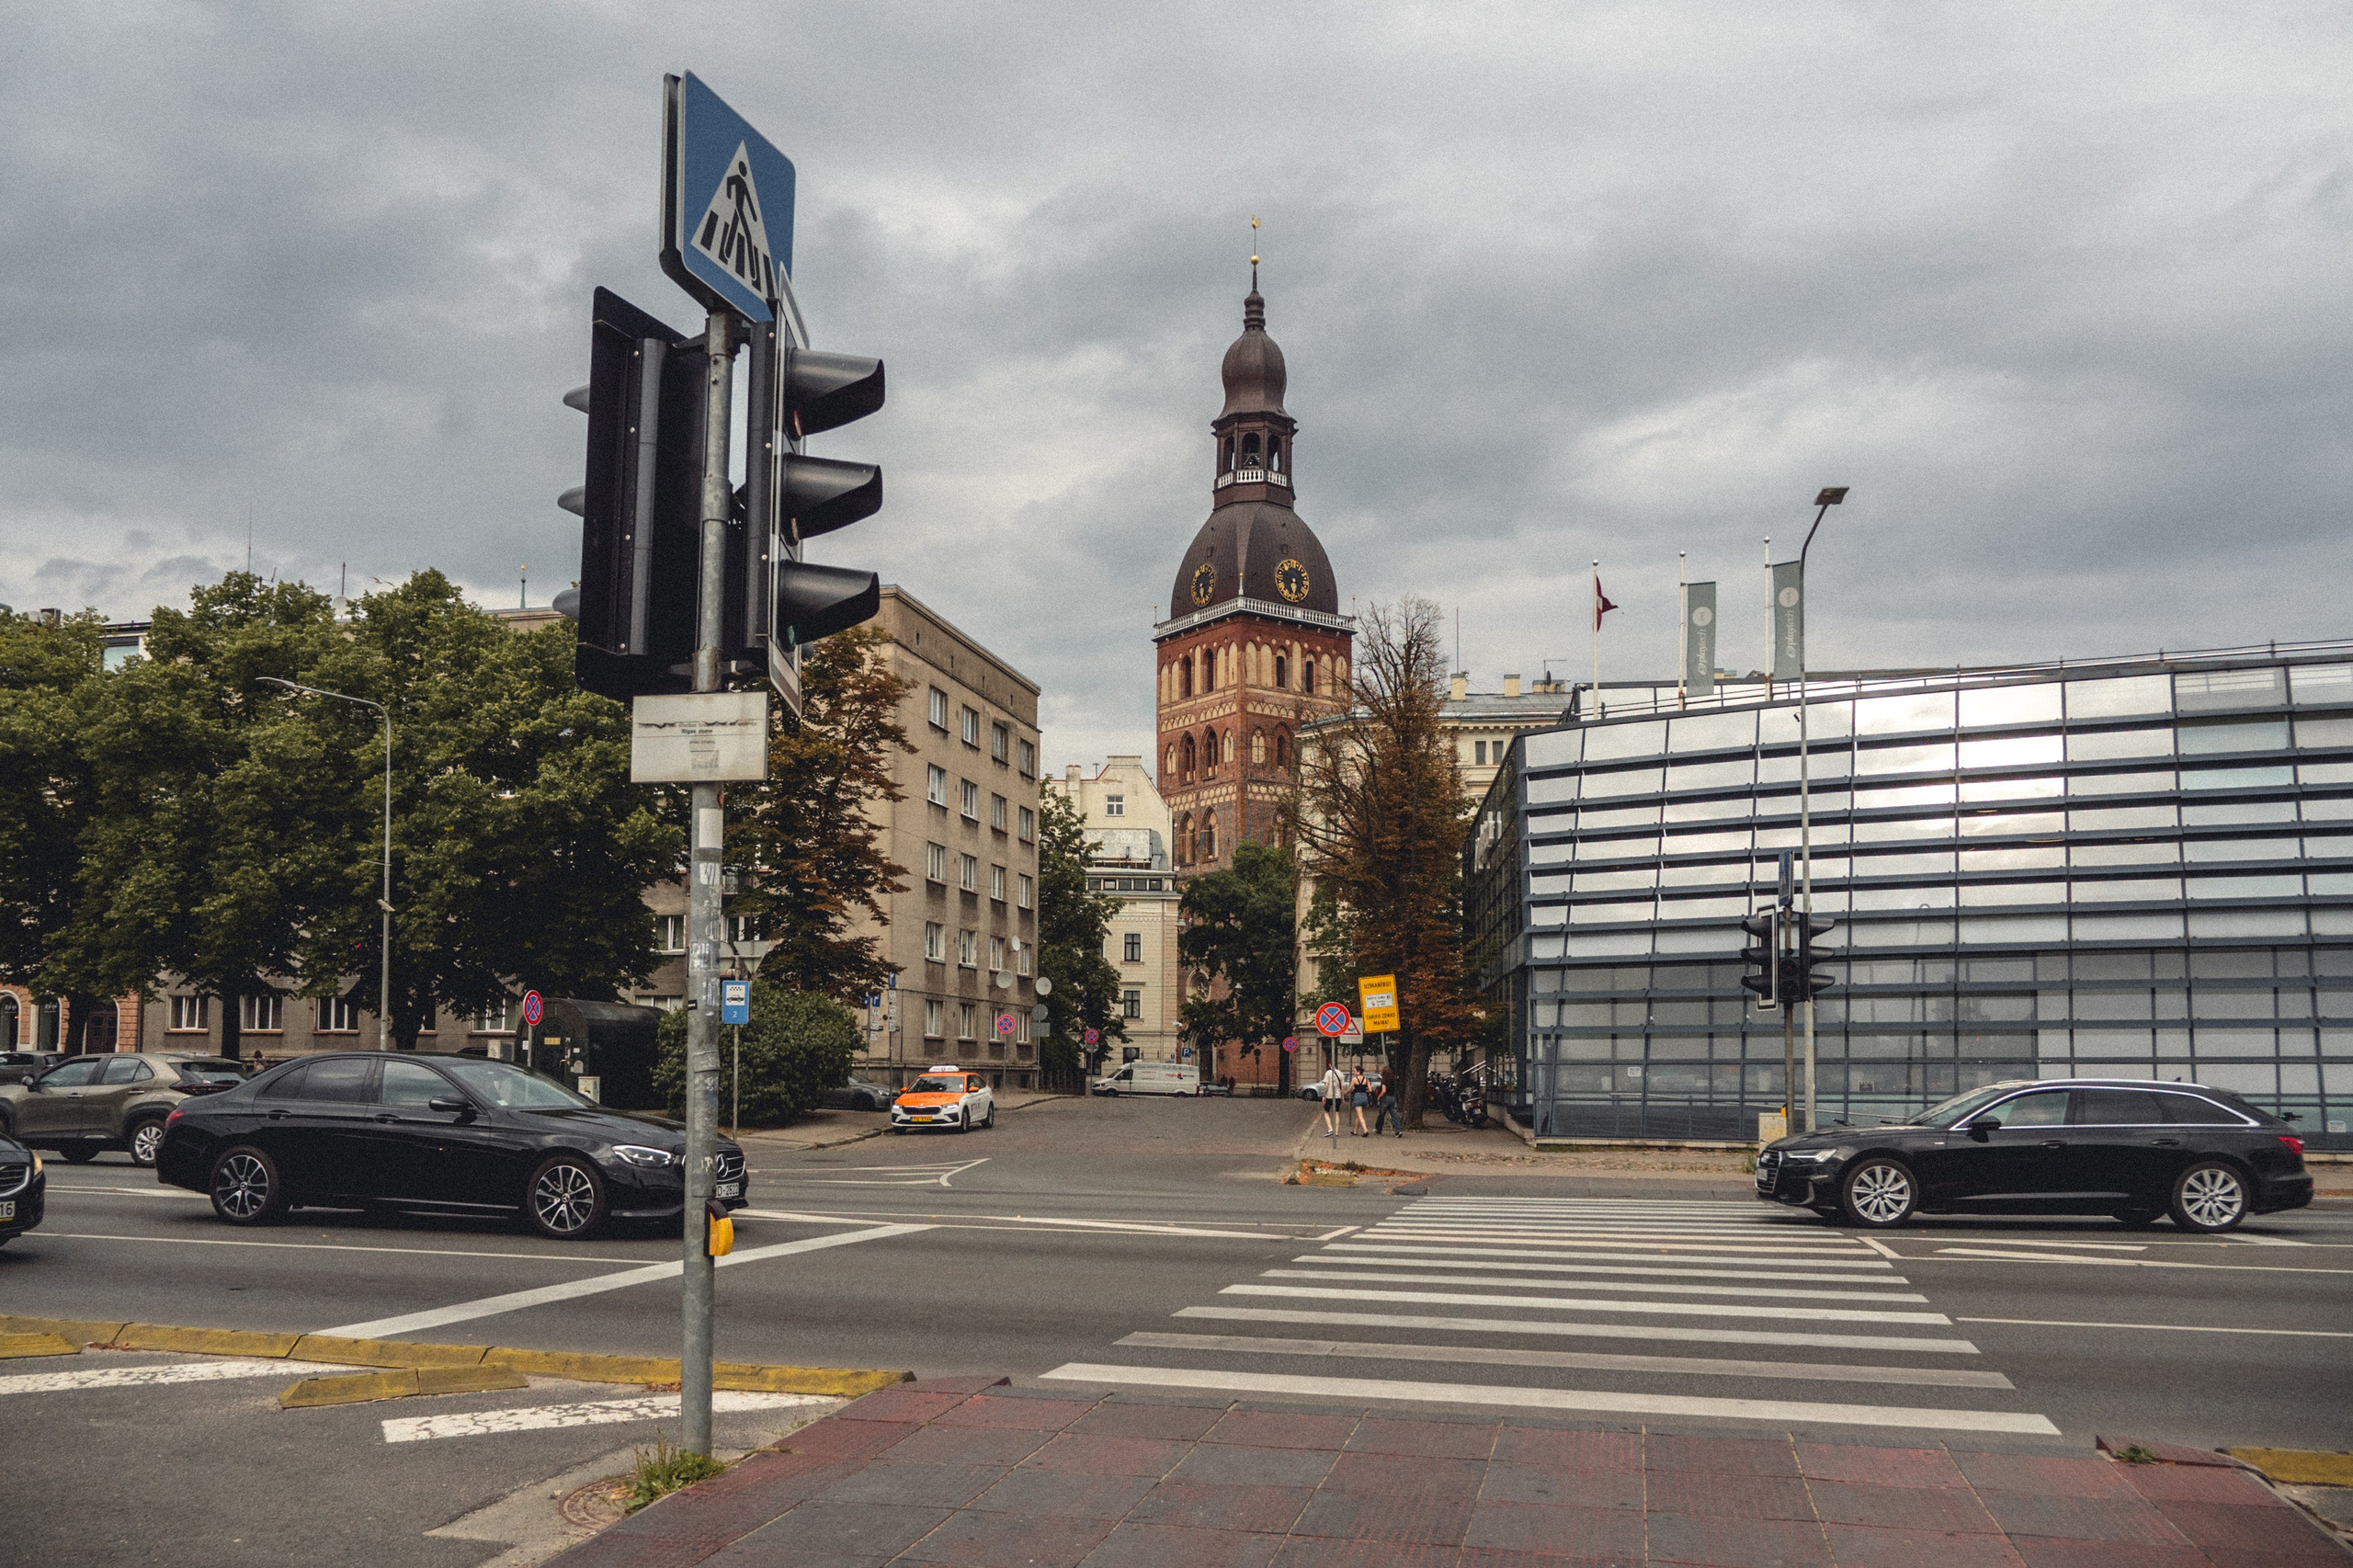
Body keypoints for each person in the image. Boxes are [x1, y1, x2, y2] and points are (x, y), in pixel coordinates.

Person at [1376, 1065, 1404, 1137]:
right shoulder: (1394, 1080)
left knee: (1381, 1114)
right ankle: (1398, 1131)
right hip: (1393, 1098)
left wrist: (1379, 1097)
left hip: (1385, 1098)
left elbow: (1384, 1090)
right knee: (1395, 1115)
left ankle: (1379, 1129)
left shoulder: (1384, 1081)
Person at [1319, 1062, 1346, 1134]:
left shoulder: (1328, 1073)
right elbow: (1342, 1087)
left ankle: (1330, 1129)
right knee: (1337, 1113)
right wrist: (1342, 1097)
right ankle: (1336, 1132)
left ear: (1330, 1065)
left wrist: (1324, 1095)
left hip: (1329, 1095)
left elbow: (1326, 1085)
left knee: (1326, 1112)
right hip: (1338, 1096)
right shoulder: (1341, 1074)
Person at [1348, 1067, 1371, 1135]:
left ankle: (1365, 1130)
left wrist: (1344, 1093)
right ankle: (1355, 1131)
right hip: (1364, 1096)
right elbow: (1370, 1090)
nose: (1353, 1072)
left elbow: (1350, 1089)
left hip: (1357, 1097)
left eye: (1354, 1071)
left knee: (1360, 1115)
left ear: (1358, 1072)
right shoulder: (1366, 1079)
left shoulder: (1354, 1079)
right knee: (1358, 1115)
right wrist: (1364, 1090)